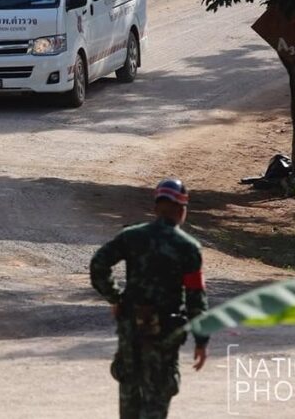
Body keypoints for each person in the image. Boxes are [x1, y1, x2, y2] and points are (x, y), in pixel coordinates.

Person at [90, 179, 209, 419]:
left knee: (130, 399)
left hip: (131, 332)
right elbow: (196, 299)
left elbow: (99, 265)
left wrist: (115, 298)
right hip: (164, 336)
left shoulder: (131, 237)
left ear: (156, 208)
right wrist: (201, 341)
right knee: (157, 401)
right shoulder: (188, 248)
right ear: (181, 210)